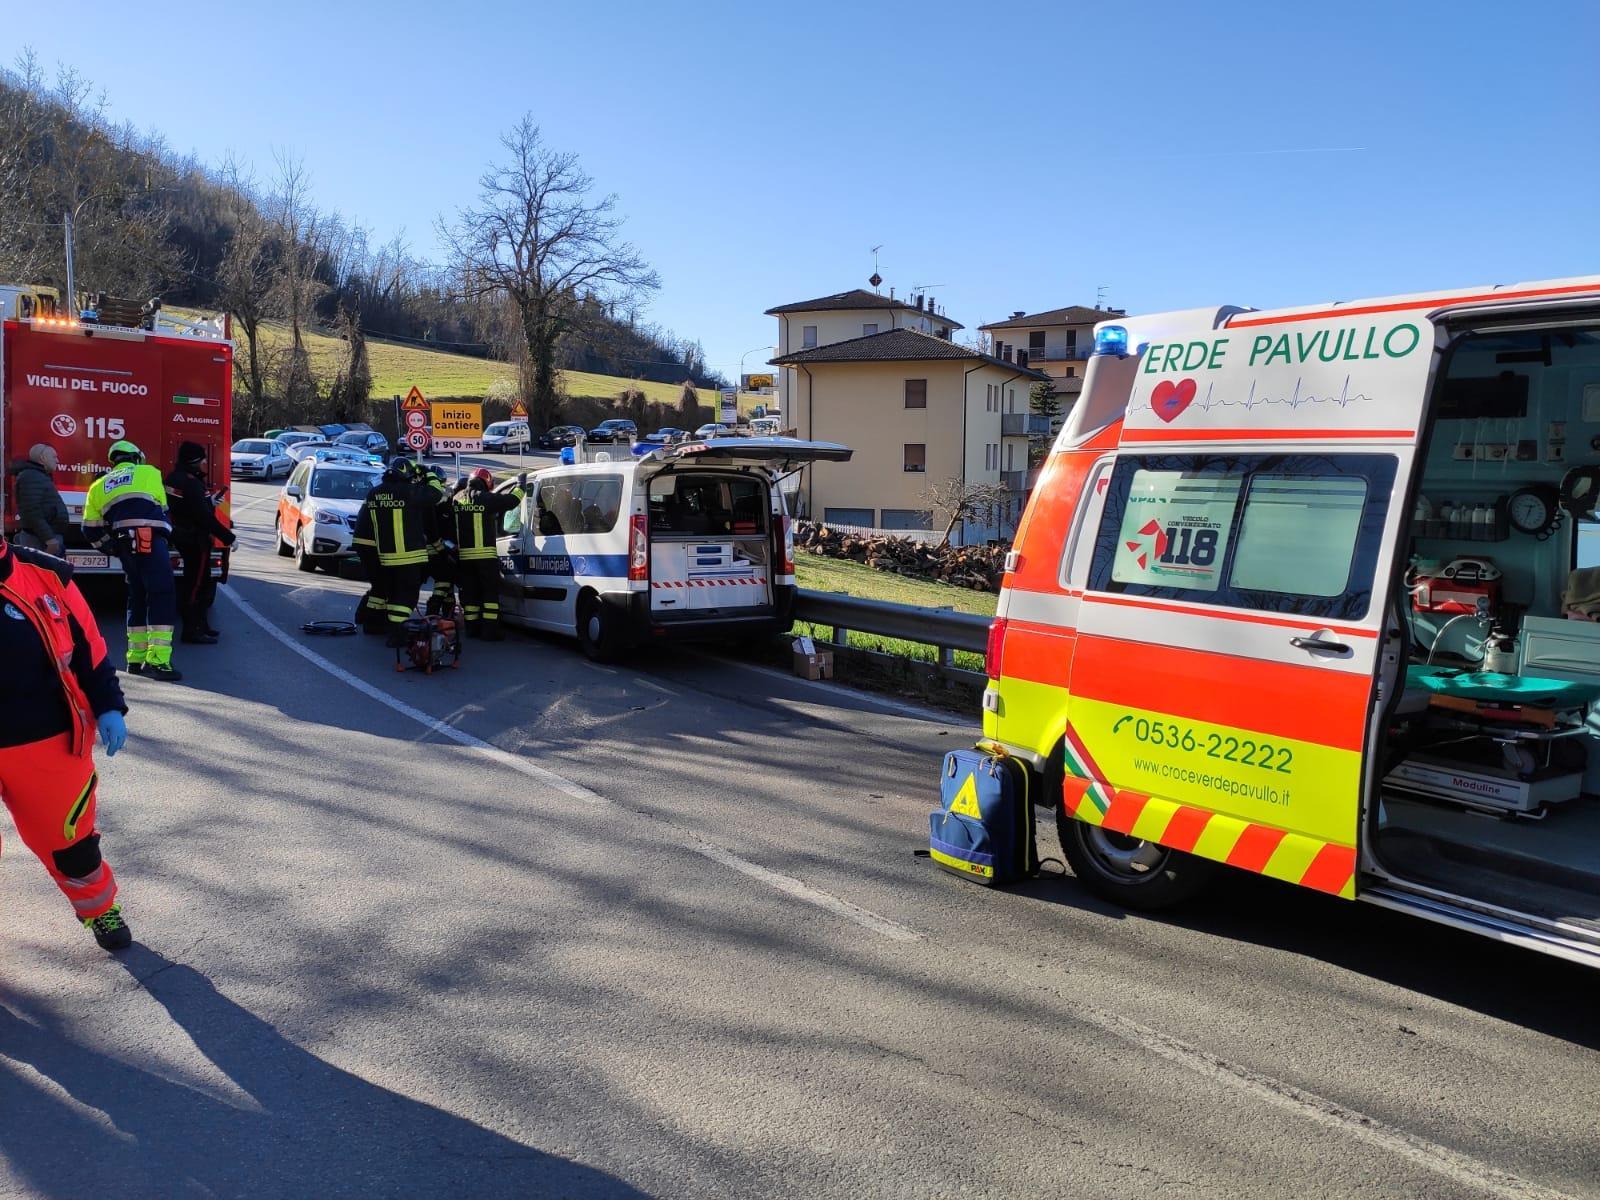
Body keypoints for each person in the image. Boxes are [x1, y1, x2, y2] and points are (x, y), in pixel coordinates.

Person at [0, 532, 133, 950]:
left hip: (44, 738)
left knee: (70, 842)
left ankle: (99, 910)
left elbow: (90, 649)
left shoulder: (47, 575)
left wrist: (108, 704)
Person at [82, 441, 181, 682]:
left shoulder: (98, 485)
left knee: (136, 596)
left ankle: (135, 660)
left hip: (125, 546)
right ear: (136, 458)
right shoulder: (150, 473)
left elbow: (89, 529)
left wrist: (112, 548)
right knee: (161, 595)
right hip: (150, 542)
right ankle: (159, 661)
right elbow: (163, 507)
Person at [352, 458, 438, 641]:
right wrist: (428, 473)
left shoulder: (374, 493)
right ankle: (396, 633)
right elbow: (435, 493)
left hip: (385, 558)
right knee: (406, 597)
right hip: (409, 557)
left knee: (385, 591)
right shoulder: (408, 492)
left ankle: (373, 624)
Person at [165, 441, 237, 645]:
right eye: (202, 458)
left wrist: (208, 501)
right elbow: (203, 517)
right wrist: (229, 538)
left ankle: (201, 625)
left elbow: (185, 506)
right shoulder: (191, 482)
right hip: (195, 540)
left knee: (200, 583)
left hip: (183, 536)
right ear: (194, 460)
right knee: (196, 586)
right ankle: (191, 631)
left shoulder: (174, 478)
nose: (205, 461)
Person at [449, 468, 523, 639]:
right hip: (485, 556)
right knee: (489, 594)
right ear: (486, 482)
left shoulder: (457, 498)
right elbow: (512, 501)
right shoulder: (486, 498)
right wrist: (521, 485)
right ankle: (490, 631)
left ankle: (471, 630)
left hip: (465, 558)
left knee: (471, 595)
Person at [10, 444, 69, 555]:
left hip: (42, 539)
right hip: (39, 540)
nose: (57, 461)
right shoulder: (31, 477)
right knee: (39, 571)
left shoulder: (38, 476)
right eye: (54, 457)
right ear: (42, 458)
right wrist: (49, 539)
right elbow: (32, 511)